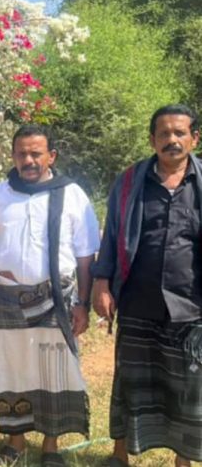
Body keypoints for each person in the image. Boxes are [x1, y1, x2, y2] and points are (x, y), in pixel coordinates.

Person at [0, 125, 100, 467]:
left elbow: (86, 256)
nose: (28, 160)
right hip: (3, 298)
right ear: (13, 156)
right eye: (21, 154)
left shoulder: (72, 195)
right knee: (11, 369)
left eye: (36, 153)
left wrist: (83, 304)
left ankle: (50, 446)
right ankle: (16, 442)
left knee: (53, 369)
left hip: (55, 300)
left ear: (51, 156)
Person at [92, 104, 202, 467]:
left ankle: (183, 461)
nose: (172, 140)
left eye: (179, 132)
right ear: (152, 139)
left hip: (191, 304)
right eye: (164, 133)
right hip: (137, 300)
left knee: (189, 390)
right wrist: (102, 282)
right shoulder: (128, 183)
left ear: (194, 138)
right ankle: (119, 455)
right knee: (129, 382)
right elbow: (111, 236)